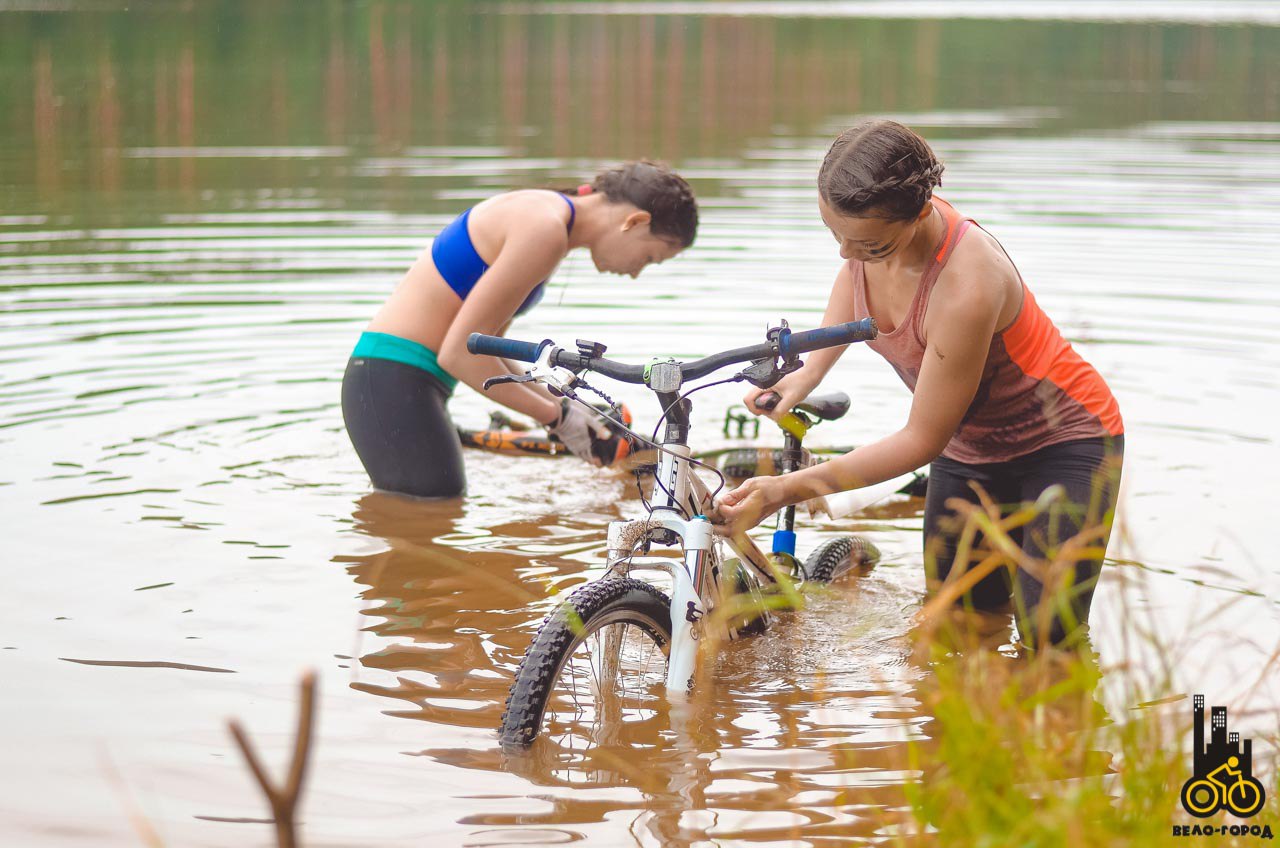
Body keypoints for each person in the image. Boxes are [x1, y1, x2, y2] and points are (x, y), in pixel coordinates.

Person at [716, 120, 1123, 648]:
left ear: (921, 212)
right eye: (833, 233)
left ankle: (1070, 721)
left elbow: (921, 440)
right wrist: (807, 373)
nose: (845, 253)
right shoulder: (869, 242)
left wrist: (782, 490)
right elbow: (854, 280)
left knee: (1049, 632)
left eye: (866, 244)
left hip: (1065, 443)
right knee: (958, 625)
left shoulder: (967, 284)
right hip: (971, 447)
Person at [342, 161, 698, 498]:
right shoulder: (545, 229)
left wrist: (567, 405)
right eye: (649, 258)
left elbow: (489, 350)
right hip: (393, 384)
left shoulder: (548, 216)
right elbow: (459, 356)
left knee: (421, 520)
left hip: (396, 382)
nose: (636, 272)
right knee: (430, 513)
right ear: (635, 221)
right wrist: (558, 418)